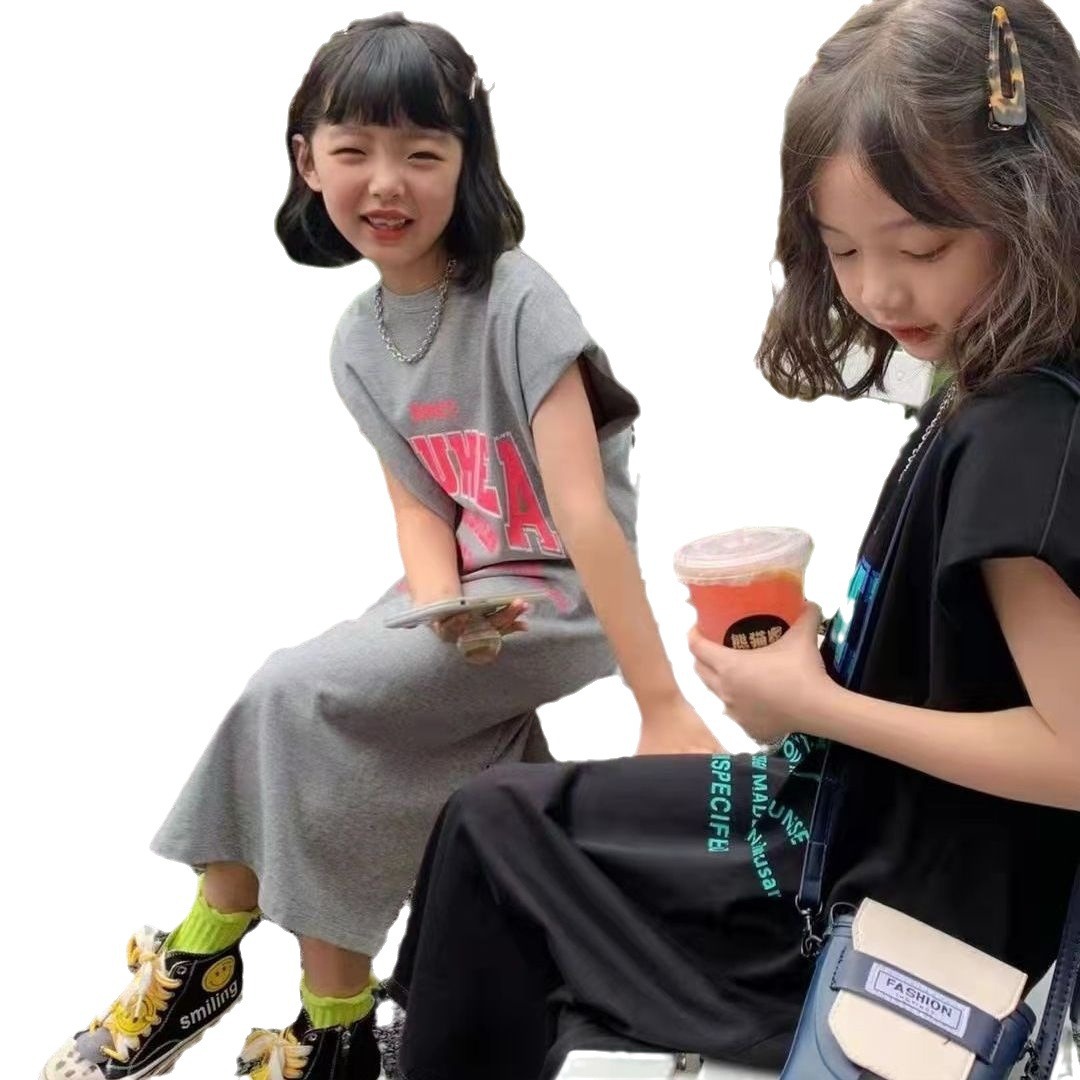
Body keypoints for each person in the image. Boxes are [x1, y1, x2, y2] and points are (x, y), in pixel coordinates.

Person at [386, 2, 1080, 1077]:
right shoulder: (994, 386)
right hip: (845, 816)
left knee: (499, 844)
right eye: (841, 251)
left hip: (873, 910)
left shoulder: (1025, 433)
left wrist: (818, 705)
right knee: (498, 824)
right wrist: (817, 672)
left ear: (1037, 201)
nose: (878, 289)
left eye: (922, 247)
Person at [39, 14, 720, 1080]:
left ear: (468, 161)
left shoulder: (519, 298)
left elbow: (585, 515)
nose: (386, 182)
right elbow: (420, 509)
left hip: (566, 595)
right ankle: (634, 982)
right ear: (307, 161)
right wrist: (442, 613)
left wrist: (659, 699)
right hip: (472, 591)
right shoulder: (358, 339)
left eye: (422, 153)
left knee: (299, 696)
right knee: (431, 769)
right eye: (353, 149)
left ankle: (246, 982)